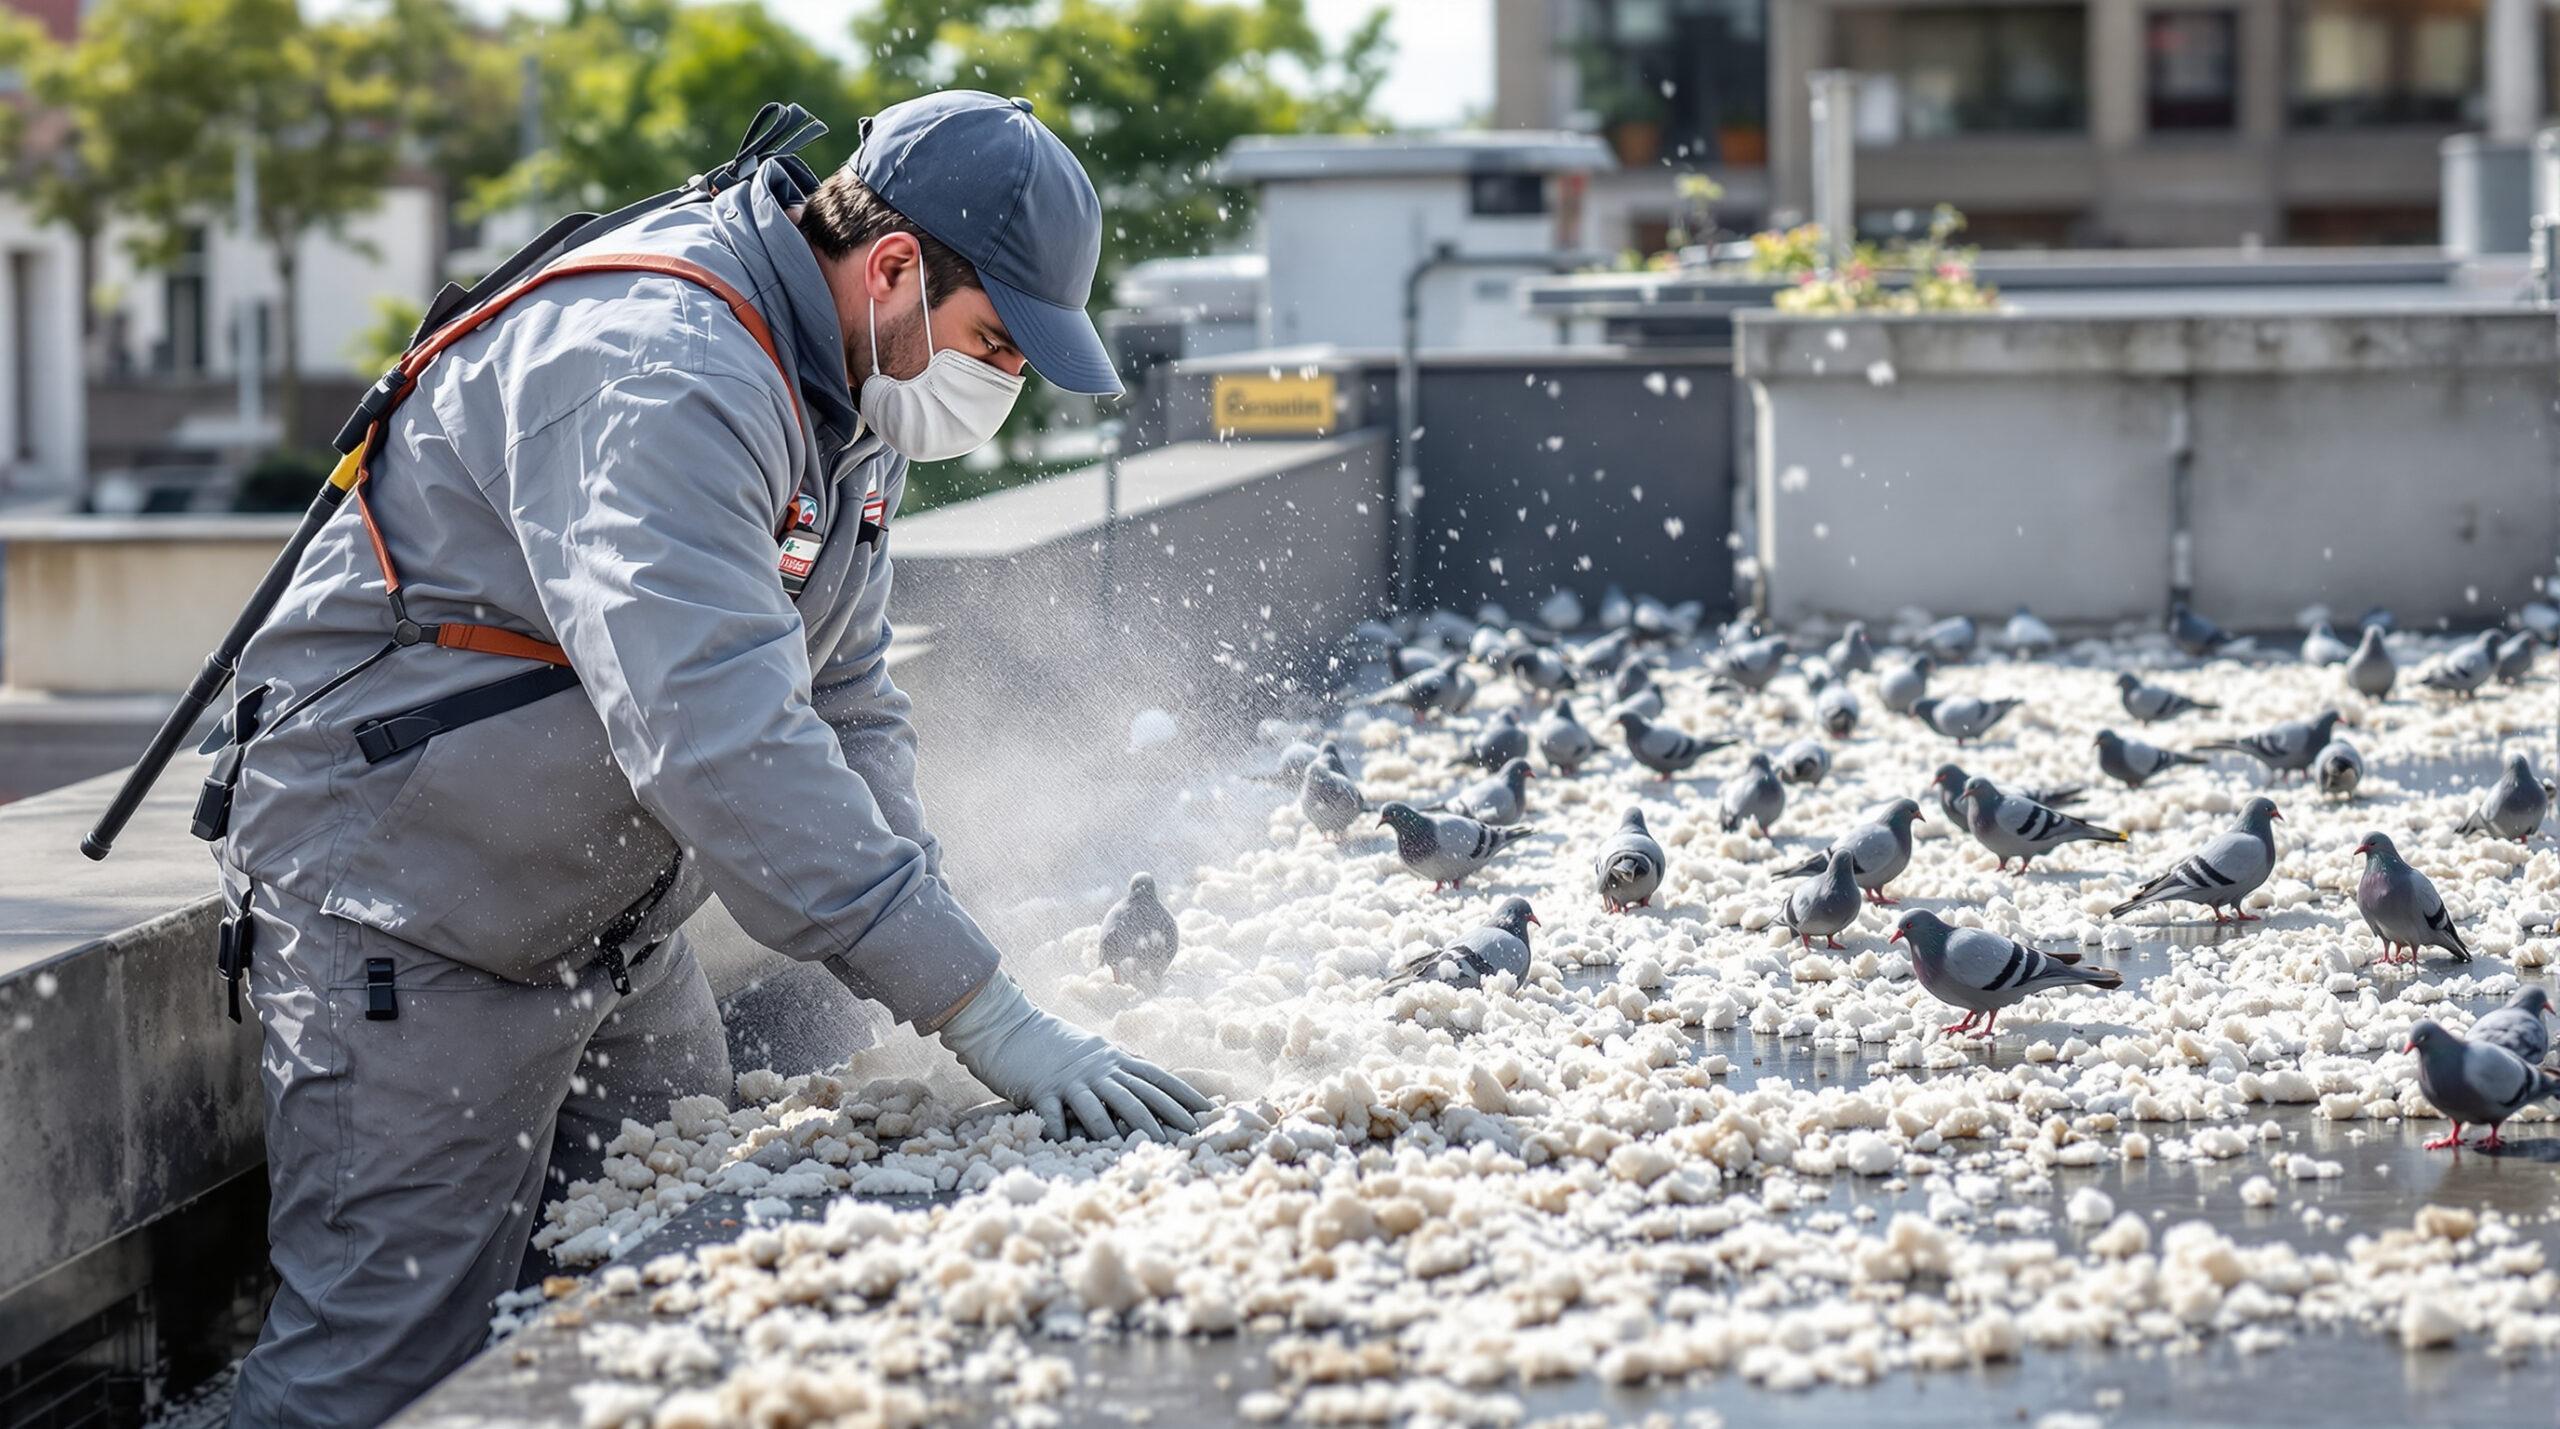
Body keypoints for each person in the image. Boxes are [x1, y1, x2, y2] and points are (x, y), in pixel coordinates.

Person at [213, 92, 1209, 1428]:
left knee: (671, 1298)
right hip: (413, 903)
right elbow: (718, 733)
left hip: (608, 918)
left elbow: (845, 690)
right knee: (382, 1362)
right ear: (896, 265)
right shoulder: (665, 366)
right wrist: (981, 1013)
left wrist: (926, 937)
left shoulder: (855, 386)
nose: (1005, 389)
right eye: (997, 346)